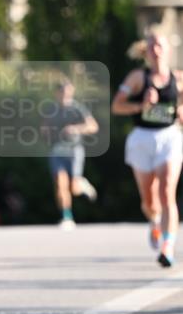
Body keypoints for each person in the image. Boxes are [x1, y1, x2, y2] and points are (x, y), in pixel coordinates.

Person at [111, 29, 183, 267]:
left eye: (160, 45)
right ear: (146, 51)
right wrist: (141, 105)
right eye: (151, 46)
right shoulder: (137, 78)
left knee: (166, 192)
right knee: (150, 201)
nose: (156, 50)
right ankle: (155, 222)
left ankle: (167, 246)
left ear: (168, 50)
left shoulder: (179, 79)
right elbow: (117, 107)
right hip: (142, 138)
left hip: (169, 137)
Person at [42, 79, 99, 230]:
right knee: (61, 184)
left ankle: (82, 184)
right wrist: (46, 131)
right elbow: (45, 126)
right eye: (62, 93)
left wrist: (76, 129)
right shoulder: (52, 109)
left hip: (74, 151)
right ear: (57, 93)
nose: (65, 96)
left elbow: (93, 126)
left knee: (74, 187)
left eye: (68, 93)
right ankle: (66, 217)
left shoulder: (78, 109)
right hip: (57, 151)